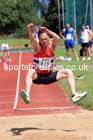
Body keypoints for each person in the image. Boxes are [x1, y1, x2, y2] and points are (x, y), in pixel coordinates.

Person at [20, 23, 87, 104]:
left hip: (49, 76)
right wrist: (29, 30)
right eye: (42, 39)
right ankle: (27, 94)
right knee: (30, 70)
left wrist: (47, 31)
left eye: (45, 38)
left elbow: (57, 38)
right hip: (38, 77)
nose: (44, 41)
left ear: (48, 37)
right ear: (39, 40)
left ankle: (74, 95)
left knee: (68, 71)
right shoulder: (37, 48)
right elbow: (32, 40)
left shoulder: (51, 47)